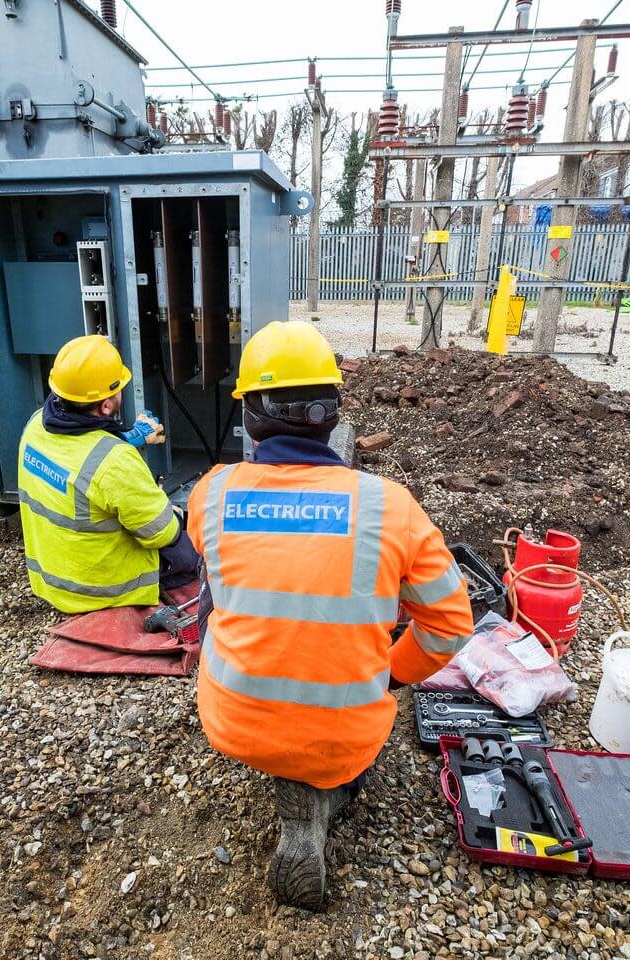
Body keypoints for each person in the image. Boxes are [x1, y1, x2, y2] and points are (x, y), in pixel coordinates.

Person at [186, 321, 474, 911]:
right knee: (344, 734)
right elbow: (450, 627)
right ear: (333, 415)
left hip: (233, 718)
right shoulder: (390, 505)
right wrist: (390, 671)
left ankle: (298, 779)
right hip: (347, 729)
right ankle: (329, 787)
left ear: (250, 417)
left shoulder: (210, 494)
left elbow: (219, 591)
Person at [19, 334, 199, 613]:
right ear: (105, 406)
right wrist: (174, 516)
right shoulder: (115, 461)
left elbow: (80, 459)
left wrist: (132, 436)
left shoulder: (35, 426)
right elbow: (161, 533)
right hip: (100, 591)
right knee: (189, 551)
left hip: (51, 578)